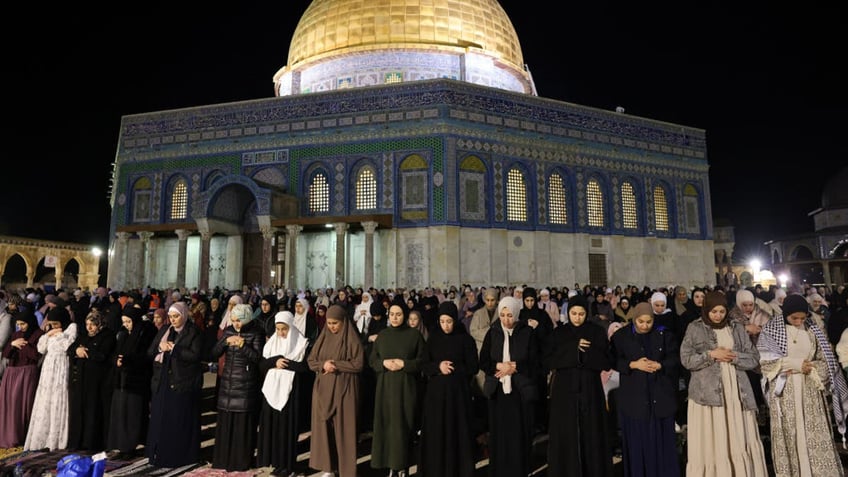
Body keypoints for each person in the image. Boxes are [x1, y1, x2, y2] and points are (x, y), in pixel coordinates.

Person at [680, 291, 768, 476]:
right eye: (714, 311)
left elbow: (753, 358)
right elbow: (686, 359)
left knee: (737, 434)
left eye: (721, 311)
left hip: (736, 392)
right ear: (706, 310)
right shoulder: (695, 328)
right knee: (714, 435)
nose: (718, 315)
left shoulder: (736, 327)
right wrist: (711, 355)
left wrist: (734, 356)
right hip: (708, 395)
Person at [757, 294, 847, 476]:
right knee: (791, 435)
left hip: (810, 390)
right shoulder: (772, 330)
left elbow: (826, 361)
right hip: (785, 392)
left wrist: (811, 368)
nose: (799, 321)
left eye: (802, 318)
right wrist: (795, 364)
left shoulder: (813, 330)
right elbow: (766, 363)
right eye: (794, 318)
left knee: (812, 434)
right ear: (785, 314)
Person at [545, 294, 614, 477]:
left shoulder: (596, 332)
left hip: (590, 390)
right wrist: (572, 349)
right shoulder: (559, 333)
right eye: (574, 313)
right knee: (566, 435)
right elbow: (549, 360)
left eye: (581, 313)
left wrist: (586, 352)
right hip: (565, 392)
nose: (577, 317)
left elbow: (606, 361)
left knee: (591, 434)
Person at [611, 302, 680, 477]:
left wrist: (660, 365)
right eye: (640, 322)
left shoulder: (664, 333)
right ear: (634, 319)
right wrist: (632, 364)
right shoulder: (621, 336)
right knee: (638, 442)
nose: (644, 326)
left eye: (648, 322)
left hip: (659, 396)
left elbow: (675, 358)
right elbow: (612, 360)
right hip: (635, 398)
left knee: (661, 442)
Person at [478, 296, 540, 477]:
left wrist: (515, 367)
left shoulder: (527, 333)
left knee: (519, 432)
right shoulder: (493, 332)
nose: (506, 320)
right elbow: (484, 361)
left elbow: (536, 362)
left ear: (517, 314)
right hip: (498, 392)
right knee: (499, 433)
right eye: (503, 315)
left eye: (510, 315)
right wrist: (500, 366)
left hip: (519, 392)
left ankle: (520, 469)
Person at [418, 301, 479, 477]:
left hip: (458, 396)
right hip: (436, 397)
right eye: (442, 321)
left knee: (457, 433)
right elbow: (424, 364)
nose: (446, 326)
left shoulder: (465, 339)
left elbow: (473, 366)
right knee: (437, 433)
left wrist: (453, 368)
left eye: (449, 321)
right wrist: (438, 367)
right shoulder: (434, 338)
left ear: (455, 320)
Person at [370, 302, 427, 477]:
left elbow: (422, 361)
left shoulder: (414, 335)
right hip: (385, 389)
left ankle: (402, 465)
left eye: (399, 314)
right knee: (386, 426)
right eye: (392, 314)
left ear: (405, 316)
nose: (395, 318)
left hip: (405, 388)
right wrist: (384, 363)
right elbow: (372, 360)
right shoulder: (383, 336)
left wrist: (405, 364)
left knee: (403, 426)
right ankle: (389, 466)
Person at [146, 301, 205, 468]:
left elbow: (195, 355)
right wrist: (160, 347)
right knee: (160, 418)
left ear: (184, 315)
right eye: (171, 317)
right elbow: (150, 352)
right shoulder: (165, 330)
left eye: (176, 316)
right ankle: (158, 453)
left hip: (182, 381)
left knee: (177, 420)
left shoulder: (194, 332)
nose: (173, 320)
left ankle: (178, 455)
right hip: (162, 379)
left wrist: (175, 350)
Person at [308, 304, 364, 477]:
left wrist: (336, 365)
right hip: (323, 389)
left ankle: (347, 470)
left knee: (344, 430)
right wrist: (323, 364)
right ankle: (328, 467)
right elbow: (311, 360)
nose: (331, 326)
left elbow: (358, 363)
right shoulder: (323, 337)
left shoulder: (351, 338)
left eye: (335, 323)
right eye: (329, 323)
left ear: (343, 322)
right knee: (325, 429)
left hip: (344, 389)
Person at [211, 303, 264, 471]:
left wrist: (243, 345)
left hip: (245, 384)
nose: (236, 324)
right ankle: (222, 460)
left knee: (242, 425)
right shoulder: (228, 331)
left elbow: (258, 359)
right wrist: (226, 342)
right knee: (226, 423)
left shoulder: (256, 332)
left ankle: (240, 462)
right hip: (228, 382)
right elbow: (214, 352)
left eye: (239, 321)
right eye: (233, 321)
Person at [257, 311, 310, 477]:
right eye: (278, 329)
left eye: (284, 329)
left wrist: (283, 363)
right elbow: (263, 363)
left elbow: (304, 367)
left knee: (286, 429)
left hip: (291, 392)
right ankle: (274, 462)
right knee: (272, 427)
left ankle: (287, 465)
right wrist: (275, 361)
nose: (280, 333)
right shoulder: (273, 342)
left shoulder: (301, 343)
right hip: (271, 390)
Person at [24, 307, 78, 451]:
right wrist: (49, 333)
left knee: (58, 398)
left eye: (56, 323)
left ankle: (57, 440)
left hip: (61, 367)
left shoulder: (71, 327)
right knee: (46, 399)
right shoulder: (50, 333)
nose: (54, 326)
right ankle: (42, 438)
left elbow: (66, 345)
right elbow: (41, 348)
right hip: (48, 369)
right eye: (52, 324)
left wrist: (57, 334)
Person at [107, 304, 156, 456]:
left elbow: (147, 356)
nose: (126, 325)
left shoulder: (144, 333)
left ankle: (130, 446)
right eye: (124, 322)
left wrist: (128, 360)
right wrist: (117, 360)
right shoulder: (123, 333)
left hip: (136, 381)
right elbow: (115, 352)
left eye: (128, 322)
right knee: (120, 414)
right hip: (121, 380)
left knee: (132, 415)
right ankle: (120, 444)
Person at [67, 310, 118, 452]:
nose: (89, 328)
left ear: (100, 324)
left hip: (98, 382)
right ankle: (78, 442)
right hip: (82, 381)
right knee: (79, 411)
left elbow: (103, 355)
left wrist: (86, 353)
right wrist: (77, 350)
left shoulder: (108, 336)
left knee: (93, 411)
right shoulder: (84, 336)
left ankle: (92, 443)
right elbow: (71, 349)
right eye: (87, 324)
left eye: (93, 325)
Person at [0, 307, 44, 448]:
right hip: (12, 373)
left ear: (30, 322)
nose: (21, 327)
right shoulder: (16, 334)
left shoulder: (38, 334)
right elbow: (6, 353)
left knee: (23, 404)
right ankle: (8, 435)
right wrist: (13, 345)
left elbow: (35, 355)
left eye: (23, 324)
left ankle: (22, 436)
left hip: (27, 373)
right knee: (10, 404)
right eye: (19, 324)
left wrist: (23, 345)